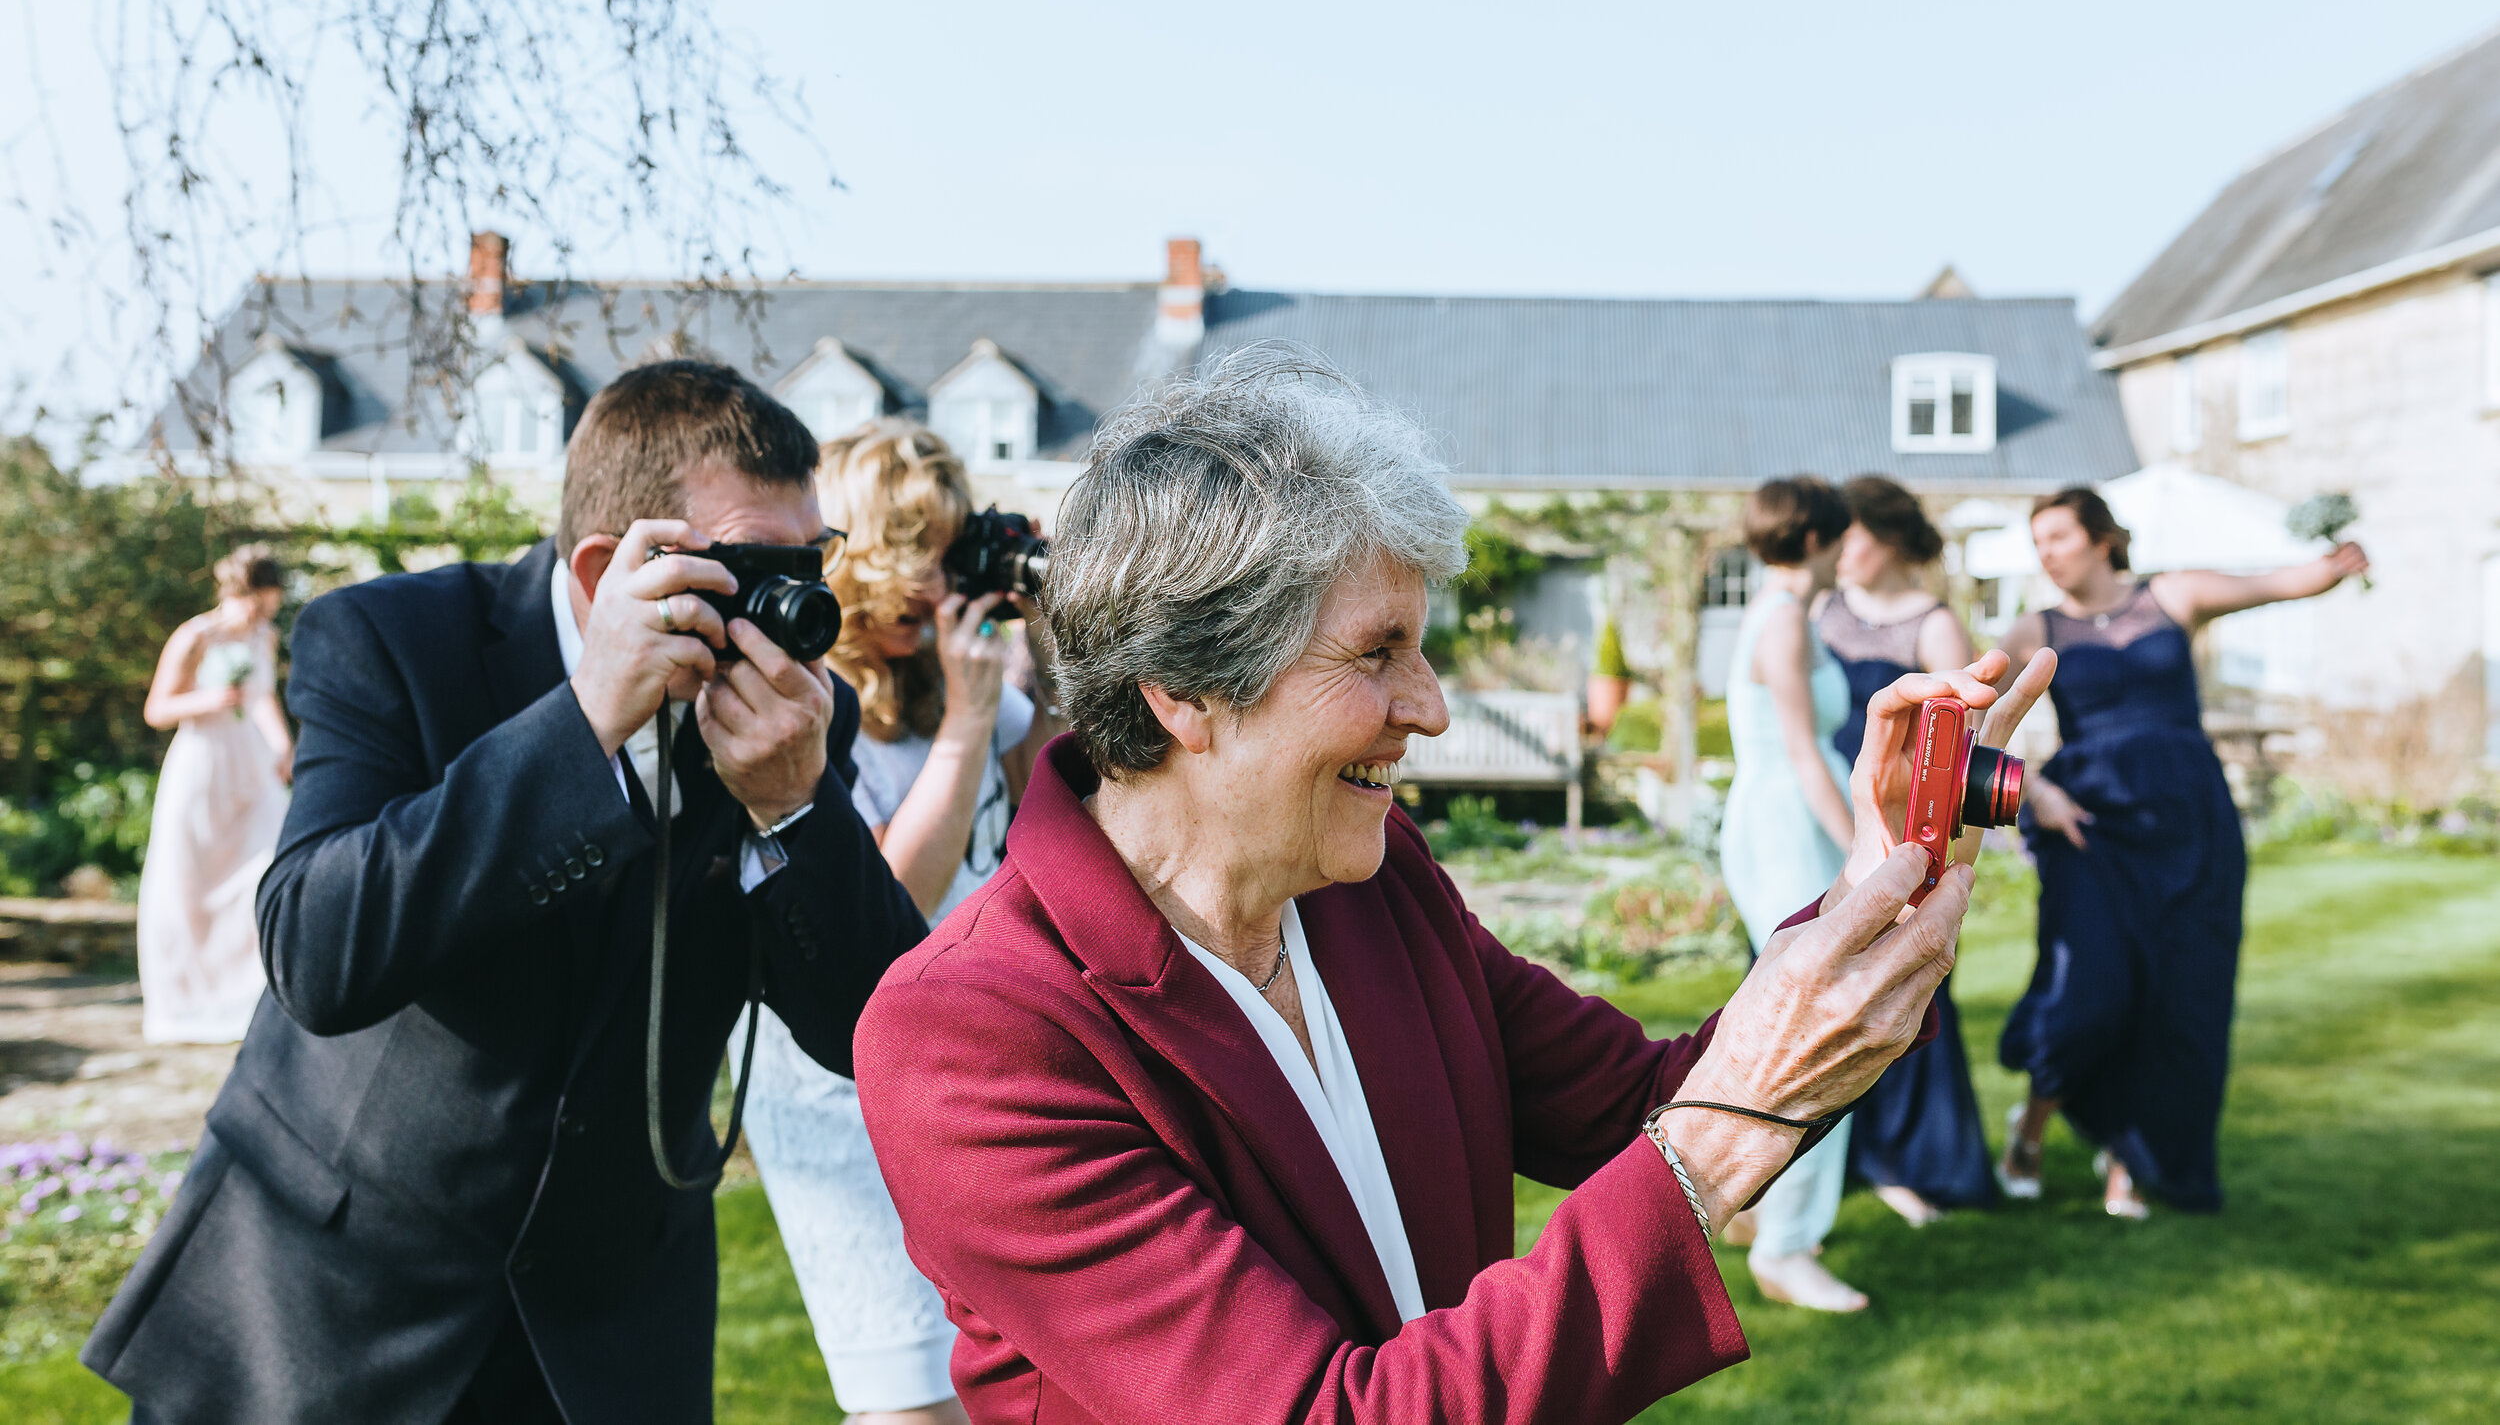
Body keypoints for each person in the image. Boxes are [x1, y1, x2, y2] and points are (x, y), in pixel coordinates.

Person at [853, 352, 2056, 1422]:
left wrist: (1874, 877)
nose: (1428, 705)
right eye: (1377, 652)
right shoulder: (971, 1033)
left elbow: (1643, 1097)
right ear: (1185, 688)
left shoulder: (1367, 881)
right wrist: (1716, 1146)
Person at [84, 361, 929, 1425]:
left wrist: (794, 808)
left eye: (811, 560)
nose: (795, 606)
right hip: (328, 1303)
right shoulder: (392, 640)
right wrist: (582, 726)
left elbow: (880, 1024)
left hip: (610, 1332)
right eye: (754, 567)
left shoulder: (800, 713)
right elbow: (317, 948)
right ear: (604, 567)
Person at [741, 421, 1051, 1425]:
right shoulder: (803, 702)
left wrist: (1043, 633)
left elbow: (1058, 812)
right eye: (910, 546)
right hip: (845, 1083)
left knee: (1008, 1383)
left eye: (948, 547)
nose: (932, 581)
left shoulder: (960, 685)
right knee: (910, 1402)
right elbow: (884, 909)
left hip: (973, 1074)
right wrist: (967, 720)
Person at [1997, 486, 2366, 1218]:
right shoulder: (2034, 628)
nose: (2048, 553)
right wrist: (2034, 791)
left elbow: (2276, 583)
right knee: (2088, 991)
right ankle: (2031, 1126)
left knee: (2179, 992)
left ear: (2103, 537)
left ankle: (2132, 1161)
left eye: (2060, 536)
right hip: (2091, 828)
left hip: (2190, 825)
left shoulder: (2173, 593)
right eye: (2038, 542)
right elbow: (1973, 722)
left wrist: (2334, 564)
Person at [1815, 475, 1998, 1225]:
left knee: (1909, 985)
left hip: (1899, 824)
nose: (1837, 551)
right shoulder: (1820, 611)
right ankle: (1836, 1159)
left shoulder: (1933, 622)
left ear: (1887, 538)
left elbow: (1955, 744)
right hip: (1822, 815)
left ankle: (1911, 1158)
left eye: (1850, 535)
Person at [1717, 475, 1869, 1311]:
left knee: (1792, 1022)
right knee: (1822, 1028)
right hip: (1791, 831)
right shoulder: (1779, 620)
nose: (1850, 550)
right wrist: (1869, 861)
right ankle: (1788, 1243)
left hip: (1785, 822)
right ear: (1814, 538)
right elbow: (1806, 756)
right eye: (1842, 536)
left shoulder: (1783, 614)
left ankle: (1754, 1200)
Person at [134, 544, 293, 1044]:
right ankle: (187, 1000)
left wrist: (282, 743)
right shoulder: (195, 636)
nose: (261, 613)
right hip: (203, 763)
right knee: (190, 883)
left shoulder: (265, 636)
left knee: (269, 860)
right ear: (236, 592)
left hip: (252, 763)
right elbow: (157, 709)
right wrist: (211, 700)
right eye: (257, 602)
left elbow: (263, 697)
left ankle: (252, 992)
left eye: (269, 605)